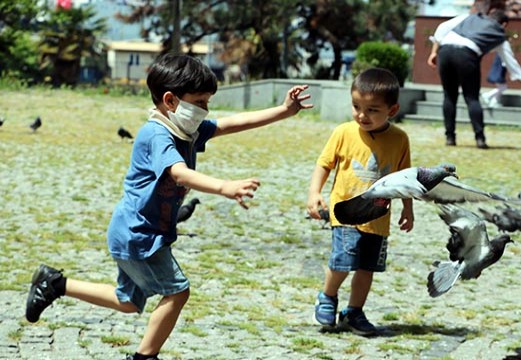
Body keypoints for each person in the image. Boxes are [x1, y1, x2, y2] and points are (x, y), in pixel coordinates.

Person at [24, 53, 313, 360]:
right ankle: (144, 357)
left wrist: (283, 111)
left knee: (128, 302)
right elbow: (178, 172)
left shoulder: (185, 128)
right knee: (177, 292)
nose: (206, 109)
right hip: (138, 234)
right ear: (170, 100)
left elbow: (230, 124)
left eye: (208, 102)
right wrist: (224, 186)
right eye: (200, 101)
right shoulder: (156, 133)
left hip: (141, 231)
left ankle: (55, 283)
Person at [307, 67, 414, 336]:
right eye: (356, 106)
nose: (361, 115)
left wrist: (408, 210)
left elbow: (405, 179)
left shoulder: (400, 139)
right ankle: (328, 296)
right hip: (345, 212)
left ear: (392, 110)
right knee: (343, 260)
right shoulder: (343, 132)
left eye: (372, 110)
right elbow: (324, 164)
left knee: (367, 268)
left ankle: (354, 311)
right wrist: (314, 193)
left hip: (378, 218)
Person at [426, 9, 521, 149]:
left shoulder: (469, 17)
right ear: (504, 24)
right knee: (472, 98)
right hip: (467, 55)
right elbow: (512, 65)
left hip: (445, 51)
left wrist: (434, 52)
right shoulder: (499, 33)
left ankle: (450, 137)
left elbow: (442, 27)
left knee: (449, 96)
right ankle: (479, 138)